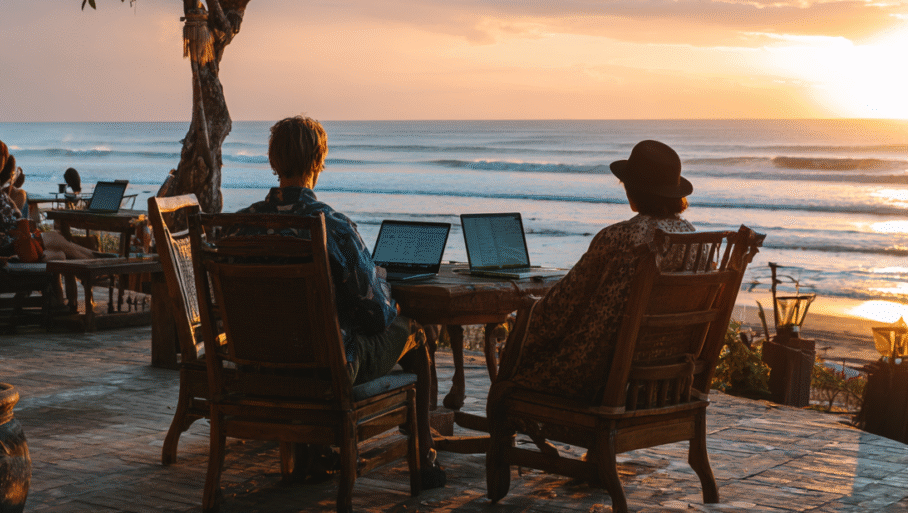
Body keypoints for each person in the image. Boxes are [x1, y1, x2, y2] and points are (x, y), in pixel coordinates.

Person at [237, 116, 446, 488]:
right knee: (414, 331)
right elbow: (376, 315)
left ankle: (315, 455)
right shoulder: (330, 225)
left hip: (259, 368)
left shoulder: (239, 226)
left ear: (273, 162)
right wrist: (383, 286)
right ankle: (425, 455)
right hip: (329, 373)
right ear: (319, 162)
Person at [491, 139, 696, 406]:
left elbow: (564, 302)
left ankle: (504, 439)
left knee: (512, 366)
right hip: (662, 384)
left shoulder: (619, 236)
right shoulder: (694, 238)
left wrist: (527, 311)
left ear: (632, 190)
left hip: (598, 379)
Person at [0, 138, 95, 263]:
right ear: (0, 159)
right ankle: (96, 261)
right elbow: (9, 224)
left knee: (58, 247)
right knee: (56, 244)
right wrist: (27, 226)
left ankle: (94, 259)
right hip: (3, 247)